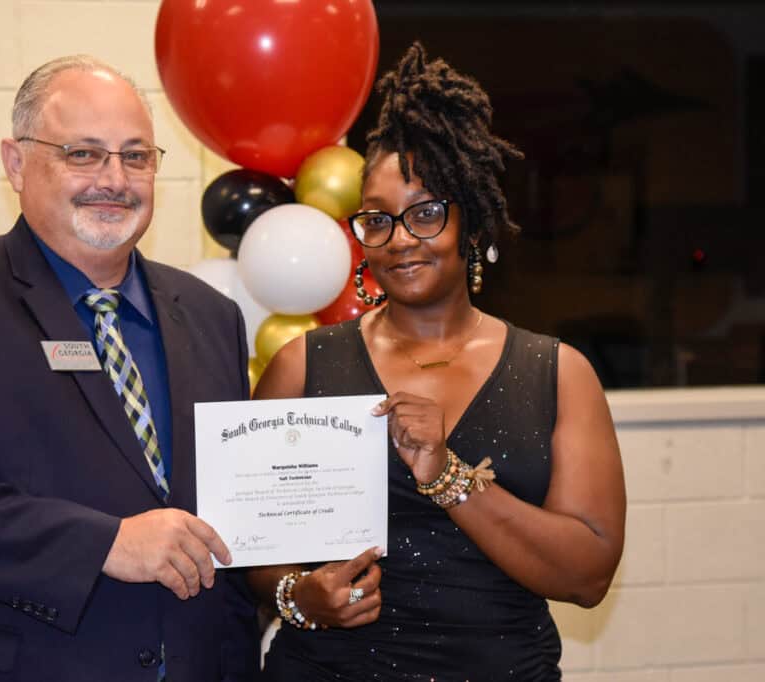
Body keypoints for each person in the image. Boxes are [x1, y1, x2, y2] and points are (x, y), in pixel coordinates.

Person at [0, 55, 259, 682]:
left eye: (136, 156)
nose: (114, 179)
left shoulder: (210, 315)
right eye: (83, 154)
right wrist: (103, 544)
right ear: (16, 163)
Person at [248, 42, 626, 680]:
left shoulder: (558, 373)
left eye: (425, 214)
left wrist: (447, 474)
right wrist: (300, 597)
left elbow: (588, 575)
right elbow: (247, 548)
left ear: (471, 225)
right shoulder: (301, 367)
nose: (400, 240)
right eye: (377, 220)